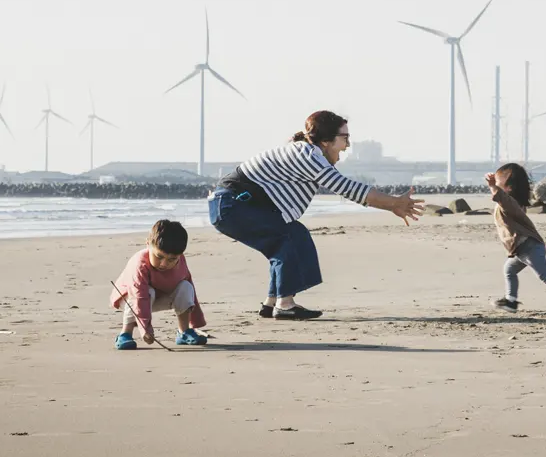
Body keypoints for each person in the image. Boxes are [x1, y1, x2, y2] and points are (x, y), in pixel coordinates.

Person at [209, 110, 424, 320]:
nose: (347, 145)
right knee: (286, 239)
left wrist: (393, 206)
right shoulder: (308, 156)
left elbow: (351, 190)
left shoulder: (307, 152)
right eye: (345, 138)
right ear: (326, 141)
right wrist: (394, 203)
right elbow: (348, 188)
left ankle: (272, 302)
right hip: (232, 206)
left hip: (232, 205)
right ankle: (285, 305)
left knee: (292, 234)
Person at [487, 163, 546, 316]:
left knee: (544, 274)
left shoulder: (510, 204)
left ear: (508, 188)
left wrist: (492, 187)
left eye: (497, 182)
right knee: (509, 270)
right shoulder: (513, 204)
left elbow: (501, 198)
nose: (494, 184)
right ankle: (511, 300)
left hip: (529, 247)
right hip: (520, 250)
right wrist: (495, 187)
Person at [109, 219, 208, 349]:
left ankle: (183, 332)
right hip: (132, 296)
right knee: (148, 292)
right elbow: (139, 296)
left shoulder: (181, 261)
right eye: (159, 257)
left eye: (172, 259)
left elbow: (189, 286)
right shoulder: (139, 263)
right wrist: (146, 329)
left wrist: (196, 320)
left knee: (186, 287)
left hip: (161, 296)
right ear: (148, 244)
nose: (164, 264)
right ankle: (125, 334)